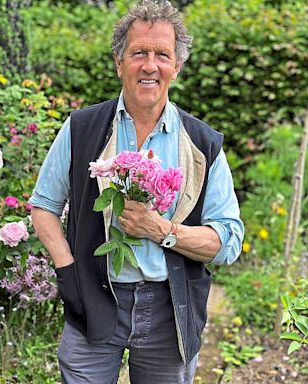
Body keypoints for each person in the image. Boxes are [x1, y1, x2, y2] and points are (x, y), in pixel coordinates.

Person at [30, 0, 244, 383]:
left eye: (162, 54)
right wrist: (68, 270)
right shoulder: (82, 128)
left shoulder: (202, 143)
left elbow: (227, 242)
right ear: (118, 62)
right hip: (93, 300)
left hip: (170, 310)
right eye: (138, 53)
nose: (150, 65)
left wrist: (159, 229)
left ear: (176, 67)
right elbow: (44, 206)